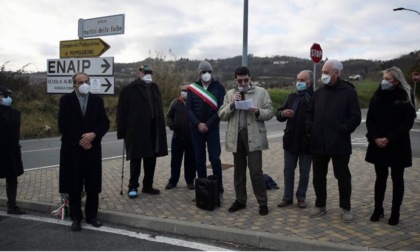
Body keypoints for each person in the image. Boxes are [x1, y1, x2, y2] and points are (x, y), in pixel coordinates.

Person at [306, 59, 361, 223]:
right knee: (318, 176)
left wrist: (343, 130)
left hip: (339, 143)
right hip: (318, 142)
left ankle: (345, 208)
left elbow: (355, 117)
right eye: (322, 71)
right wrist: (310, 128)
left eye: (326, 72)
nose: (323, 75)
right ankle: (320, 205)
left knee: (342, 176)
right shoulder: (319, 92)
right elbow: (310, 114)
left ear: (337, 73)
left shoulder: (349, 92)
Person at [58, 72, 110, 231]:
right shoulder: (66, 100)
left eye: (87, 81)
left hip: (92, 149)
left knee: (93, 184)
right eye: (81, 82)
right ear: (74, 84)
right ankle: (76, 217)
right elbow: (63, 125)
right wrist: (81, 140)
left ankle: (92, 216)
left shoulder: (97, 100)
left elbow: (104, 122)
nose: (84, 84)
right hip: (73, 150)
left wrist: (93, 135)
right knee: (74, 184)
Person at [218, 66, 273, 216]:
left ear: (250, 78)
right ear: (235, 80)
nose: (243, 83)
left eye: (246, 80)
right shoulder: (230, 94)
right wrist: (231, 105)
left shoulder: (261, 92)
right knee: (239, 171)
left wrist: (257, 111)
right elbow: (222, 115)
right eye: (240, 80)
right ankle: (240, 200)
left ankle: (262, 202)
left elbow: (270, 112)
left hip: (254, 136)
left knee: (256, 171)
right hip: (237, 137)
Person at [365, 67, 416, 226]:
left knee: (397, 178)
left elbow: (407, 123)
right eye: (384, 78)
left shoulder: (406, 96)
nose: (385, 81)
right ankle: (378, 208)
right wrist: (375, 137)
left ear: (397, 80)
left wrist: (388, 138)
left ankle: (395, 211)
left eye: (389, 79)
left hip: (397, 144)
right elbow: (369, 119)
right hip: (378, 143)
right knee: (380, 177)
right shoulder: (378, 94)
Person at [117, 65, 168, 199]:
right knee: (136, 159)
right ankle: (133, 186)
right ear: (138, 73)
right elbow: (121, 112)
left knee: (151, 159)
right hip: (136, 130)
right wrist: (122, 131)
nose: (148, 74)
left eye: (150, 72)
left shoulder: (154, 88)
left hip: (153, 128)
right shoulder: (129, 89)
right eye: (145, 72)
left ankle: (148, 186)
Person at [186, 61, 226, 201]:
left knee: (215, 159)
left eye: (208, 71)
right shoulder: (192, 88)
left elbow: (221, 108)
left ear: (211, 72)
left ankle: (218, 189)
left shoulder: (219, 88)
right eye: (203, 72)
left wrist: (207, 124)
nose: (206, 74)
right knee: (199, 159)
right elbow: (188, 109)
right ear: (199, 73)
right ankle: (202, 189)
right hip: (196, 129)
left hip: (212, 128)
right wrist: (198, 124)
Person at [276, 70, 313, 209]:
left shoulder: (314, 98)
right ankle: (287, 197)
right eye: (298, 79)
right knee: (288, 170)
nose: (299, 83)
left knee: (304, 172)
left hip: (307, 141)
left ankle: (301, 197)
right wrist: (283, 113)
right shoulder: (291, 97)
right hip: (291, 140)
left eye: (303, 80)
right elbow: (279, 114)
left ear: (310, 82)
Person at [0, 86, 26, 215]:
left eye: (8, 96)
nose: (7, 98)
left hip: (12, 151)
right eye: (4, 96)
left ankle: (12, 205)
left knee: (12, 179)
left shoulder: (16, 113)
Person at [165, 83, 196, 190]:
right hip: (177, 137)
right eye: (183, 90)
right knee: (175, 160)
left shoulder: (193, 103)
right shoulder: (175, 102)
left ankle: (190, 180)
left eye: (187, 90)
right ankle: (173, 180)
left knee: (190, 161)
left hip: (190, 137)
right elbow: (169, 116)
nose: (185, 92)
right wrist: (171, 125)